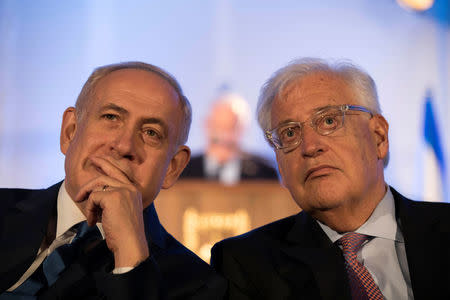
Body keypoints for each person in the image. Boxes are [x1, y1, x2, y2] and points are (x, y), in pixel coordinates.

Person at [211, 58, 450, 299]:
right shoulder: (245, 265)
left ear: (379, 137)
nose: (310, 146)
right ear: (280, 167)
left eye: (329, 121)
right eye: (290, 133)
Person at [0, 62, 225, 299]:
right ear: (70, 131)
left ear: (172, 167)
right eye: (111, 117)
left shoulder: (197, 285)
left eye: (151, 133)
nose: (124, 146)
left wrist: (130, 261)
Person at [180, 93, 278, 185]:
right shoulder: (182, 171)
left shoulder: (265, 174)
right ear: (205, 125)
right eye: (217, 127)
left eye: (231, 128)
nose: (224, 137)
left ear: (243, 129)